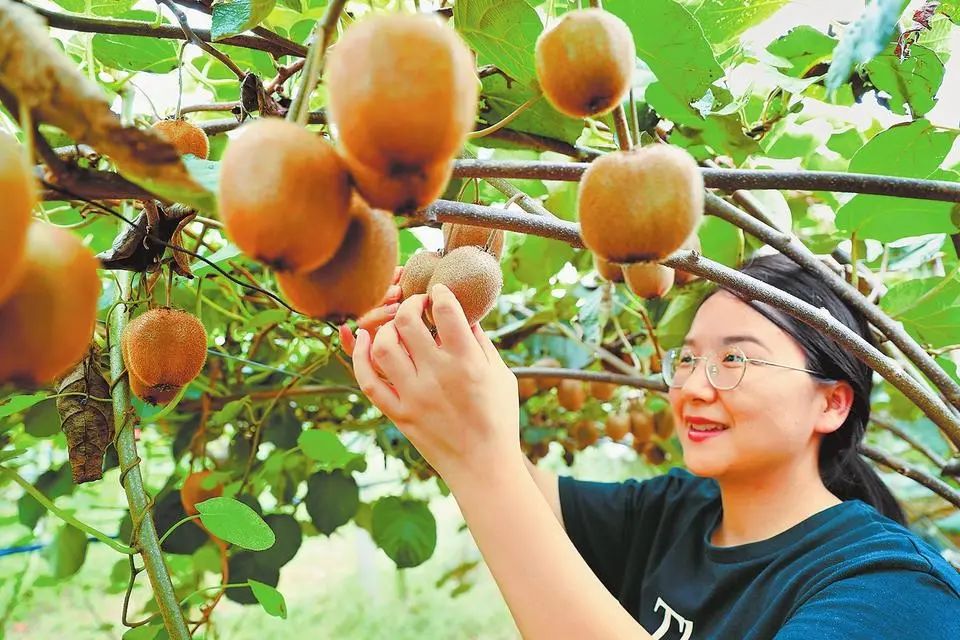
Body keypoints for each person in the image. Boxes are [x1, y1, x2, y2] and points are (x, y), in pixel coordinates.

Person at [340, 253, 960, 639]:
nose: (692, 386)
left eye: (734, 359)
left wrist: (477, 453)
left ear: (832, 402)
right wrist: (441, 374)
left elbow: (491, 470)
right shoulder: (679, 512)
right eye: (686, 359)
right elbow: (520, 495)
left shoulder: (894, 592)